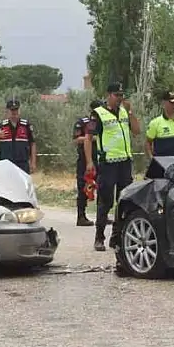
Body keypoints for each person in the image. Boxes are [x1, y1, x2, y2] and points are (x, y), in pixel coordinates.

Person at [84, 82, 140, 253]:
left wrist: (130, 112)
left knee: (124, 202)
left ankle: (117, 237)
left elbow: (137, 131)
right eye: (116, 95)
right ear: (109, 95)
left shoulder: (124, 111)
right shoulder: (98, 114)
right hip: (108, 163)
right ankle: (99, 237)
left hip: (124, 162)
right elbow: (88, 137)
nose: (119, 98)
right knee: (105, 201)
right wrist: (89, 162)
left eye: (121, 95)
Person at [72, 99, 104, 227]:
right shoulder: (84, 122)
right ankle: (81, 216)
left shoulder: (103, 123)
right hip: (85, 159)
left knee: (102, 187)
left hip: (101, 158)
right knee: (83, 187)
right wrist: (90, 138)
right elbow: (76, 139)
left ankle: (102, 215)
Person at [0, 98, 37, 173]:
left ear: (19, 111)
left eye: (16, 110)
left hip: (22, 163)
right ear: (7, 111)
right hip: (5, 163)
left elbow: (32, 144)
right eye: (12, 111)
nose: (14, 113)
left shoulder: (26, 125)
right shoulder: (2, 125)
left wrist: (33, 162)